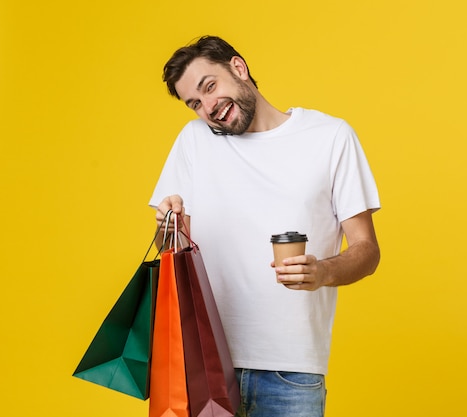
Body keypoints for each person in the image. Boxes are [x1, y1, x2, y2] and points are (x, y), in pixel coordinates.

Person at [149, 35, 381, 417]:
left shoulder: (330, 137)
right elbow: (170, 249)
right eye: (195, 103)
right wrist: (167, 225)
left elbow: (367, 251)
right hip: (202, 363)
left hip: (291, 371)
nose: (208, 108)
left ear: (238, 68)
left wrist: (322, 271)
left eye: (210, 87)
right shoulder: (193, 142)